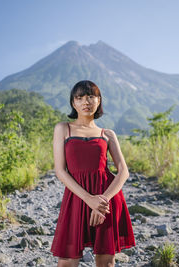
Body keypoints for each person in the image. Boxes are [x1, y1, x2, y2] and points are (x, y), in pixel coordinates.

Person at [50, 80, 136, 267]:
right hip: (76, 198)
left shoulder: (107, 134)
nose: (86, 102)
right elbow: (60, 171)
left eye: (91, 96)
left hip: (106, 201)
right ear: (73, 103)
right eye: (80, 97)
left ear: (99, 101)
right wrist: (89, 199)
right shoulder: (63, 128)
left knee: (105, 261)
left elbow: (123, 172)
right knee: (67, 261)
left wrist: (102, 201)